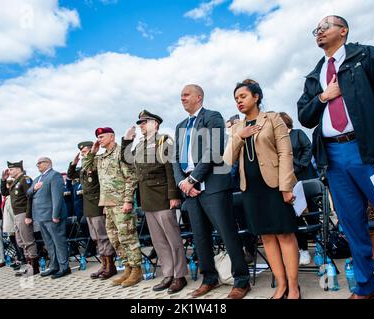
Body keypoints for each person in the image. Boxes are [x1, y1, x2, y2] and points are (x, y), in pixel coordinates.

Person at [297, 15, 374, 299]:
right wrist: (323, 96)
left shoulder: (365, 56)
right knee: (351, 224)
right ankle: (367, 288)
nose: (319, 31)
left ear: (343, 31)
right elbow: (304, 116)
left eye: (325, 26)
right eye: (315, 29)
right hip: (333, 156)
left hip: (371, 151)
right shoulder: (315, 75)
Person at [224, 80, 300, 299]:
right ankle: (281, 285)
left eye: (243, 96)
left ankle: (294, 287)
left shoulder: (273, 118)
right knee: (266, 237)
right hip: (250, 190)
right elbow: (228, 159)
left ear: (256, 97)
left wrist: (286, 186)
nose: (239, 101)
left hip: (275, 186)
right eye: (236, 98)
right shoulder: (238, 127)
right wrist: (240, 135)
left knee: (285, 234)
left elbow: (286, 153)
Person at [173, 84, 250, 299]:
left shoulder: (212, 117)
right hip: (190, 189)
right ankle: (209, 278)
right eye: (181, 96)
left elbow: (213, 150)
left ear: (199, 97)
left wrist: (193, 178)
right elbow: (175, 159)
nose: (182, 98)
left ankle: (241, 280)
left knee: (227, 233)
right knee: (200, 237)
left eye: (186, 95)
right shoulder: (180, 126)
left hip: (212, 186)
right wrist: (183, 183)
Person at [122, 110, 188, 294]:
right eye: (140, 122)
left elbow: (169, 169)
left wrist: (173, 195)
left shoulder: (163, 141)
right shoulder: (140, 145)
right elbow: (126, 162)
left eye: (145, 122)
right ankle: (168, 274)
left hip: (163, 197)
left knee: (172, 238)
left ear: (156, 124)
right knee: (158, 241)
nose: (141, 125)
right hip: (147, 199)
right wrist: (127, 141)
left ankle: (180, 275)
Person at [83, 127, 142, 287]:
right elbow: (87, 168)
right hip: (108, 205)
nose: (99, 139)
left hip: (122, 203)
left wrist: (128, 201)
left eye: (102, 137)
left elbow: (131, 177)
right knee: (115, 239)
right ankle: (127, 268)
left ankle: (137, 270)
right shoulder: (101, 157)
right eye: (98, 137)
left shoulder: (120, 153)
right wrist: (92, 152)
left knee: (128, 237)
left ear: (112, 136)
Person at [68, 141, 117, 280]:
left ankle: (110, 266)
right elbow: (72, 175)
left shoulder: (97, 161)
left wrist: (105, 205)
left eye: (84, 152)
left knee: (103, 236)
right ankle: (104, 264)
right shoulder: (84, 166)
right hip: (88, 206)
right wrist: (74, 162)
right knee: (96, 237)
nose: (82, 154)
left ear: (91, 150)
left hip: (97, 204)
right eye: (81, 152)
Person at [279, 112, 318, 266]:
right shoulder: (278, 140)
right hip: (289, 182)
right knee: (296, 216)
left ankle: (321, 244)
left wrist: (300, 165)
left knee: (312, 213)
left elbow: (308, 148)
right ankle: (303, 249)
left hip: (305, 176)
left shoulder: (297, 134)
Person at [27, 157, 70, 279]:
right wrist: (34, 188)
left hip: (52, 215)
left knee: (58, 241)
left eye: (40, 163)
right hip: (41, 216)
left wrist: (55, 214)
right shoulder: (37, 179)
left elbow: (57, 197)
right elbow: (28, 193)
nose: (38, 165)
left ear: (48, 163)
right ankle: (54, 266)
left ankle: (64, 267)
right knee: (49, 243)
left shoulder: (54, 175)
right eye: (37, 163)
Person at [1, 161, 39, 276]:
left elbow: (29, 198)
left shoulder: (25, 179)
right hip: (17, 214)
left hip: (23, 213)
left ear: (18, 169)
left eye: (11, 169)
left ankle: (34, 267)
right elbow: (4, 192)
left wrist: (28, 215)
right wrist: (3, 180)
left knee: (28, 240)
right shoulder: (15, 182)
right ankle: (28, 265)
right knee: (20, 241)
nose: (9, 171)